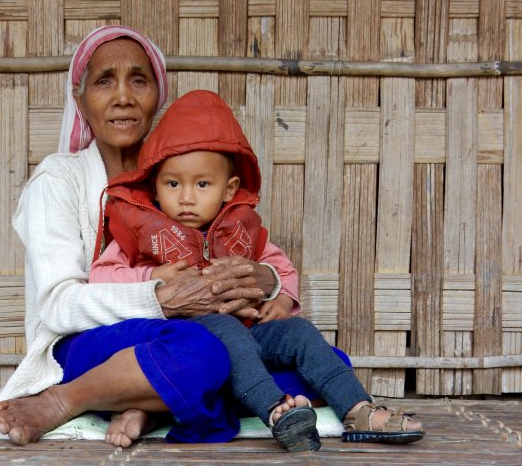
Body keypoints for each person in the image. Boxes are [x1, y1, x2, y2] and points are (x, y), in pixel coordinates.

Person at [0, 26, 282, 449]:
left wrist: (264, 277)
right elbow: (56, 306)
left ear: (157, 97)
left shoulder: (174, 180)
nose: (123, 96)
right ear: (81, 99)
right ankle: (65, 399)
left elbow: (237, 245)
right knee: (205, 353)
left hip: (186, 332)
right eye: (105, 80)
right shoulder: (57, 181)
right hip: (79, 346)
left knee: (291, 357)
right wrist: (159, 299)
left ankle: (140, 402)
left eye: (139, 80)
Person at [90, 90, 426, 451]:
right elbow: (101, 277)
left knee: (299, 332)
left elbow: (280, 268)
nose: (186, 197)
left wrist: (282, 297)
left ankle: (359, 409)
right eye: (173, 184)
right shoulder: (143, 234)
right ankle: (276, 410)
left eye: (202, 184)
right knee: (223, 330)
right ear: (155, 187)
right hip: (185, 344)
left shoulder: (241, 230)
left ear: (228, 188)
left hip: (250, 334)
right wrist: (152, 280)